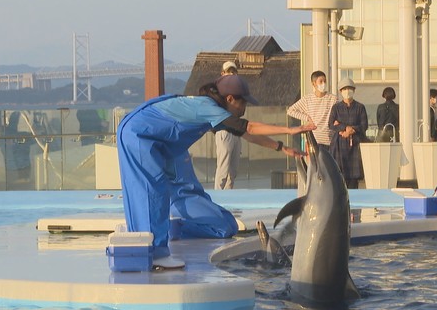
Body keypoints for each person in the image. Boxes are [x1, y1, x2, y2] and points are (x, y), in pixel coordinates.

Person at [117, 75, 315, 267]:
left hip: (147, 136)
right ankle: (155, 253)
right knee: (153, 191)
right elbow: (251, 128)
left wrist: (282, 148)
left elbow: (248, 134)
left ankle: (141, 238)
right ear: (229, 99)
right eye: (243, 102)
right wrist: (291, 130)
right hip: (140, 135)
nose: (245, 108)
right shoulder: (207, 108)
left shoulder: (212, 111)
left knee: (151, 191)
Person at [328, 78, 368, 189]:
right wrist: (344, 128)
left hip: (355, 144)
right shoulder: (336, 108)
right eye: (344, 89)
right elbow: (331, 124)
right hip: (339, 144)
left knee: (354, 178)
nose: (347, 91)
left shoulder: (360, 107)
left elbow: (364, 125)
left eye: (349, 88)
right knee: (340, 175)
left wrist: (351, 130)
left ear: (354, 90)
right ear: (340, 91)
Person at [287, 70, 338, 151]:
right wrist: (307, 118)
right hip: (314, 141)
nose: (323, 84)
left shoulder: (333, 99)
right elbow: (290, 111)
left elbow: (338, 115)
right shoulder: (308, 99)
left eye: (325, 81)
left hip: (330, 141)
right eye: (320, 81)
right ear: (314, 83)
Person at [214, 61, 242, 189]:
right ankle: (217, 200)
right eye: (229, 72)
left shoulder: (239, 90)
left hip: (236, 131)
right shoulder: (217, 90)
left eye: (234, 72)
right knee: (223, 170)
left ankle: (229, 201)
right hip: (224, 132)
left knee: (233, 171)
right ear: (222, 73)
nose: (231, 75)